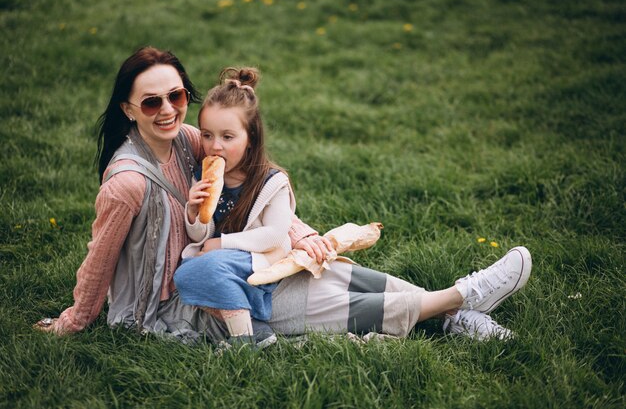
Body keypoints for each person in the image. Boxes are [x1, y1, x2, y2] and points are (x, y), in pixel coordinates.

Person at [35, 46, 532, 344]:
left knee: (335, 270)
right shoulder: (127, 181)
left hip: (232, 267)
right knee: (328, 303)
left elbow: (255, 190)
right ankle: (463, 296)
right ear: (128, 108)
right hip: (180, 303)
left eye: (177, 96)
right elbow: (100, 258)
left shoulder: (191, 140)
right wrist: (75, 321)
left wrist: (307, 236)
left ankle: (453, 318)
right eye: (151, 101)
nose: (168, 109)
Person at [172, 67, 295, 348]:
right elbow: (201, 238)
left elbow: (276, 235)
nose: (215, 146)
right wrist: (193, 212)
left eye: (228, 137)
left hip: (259, 260)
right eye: (206, 135)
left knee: (204, 268)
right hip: (223, 262)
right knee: (187, 274)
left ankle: (242, 342)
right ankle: (255, 330)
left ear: (250, 138)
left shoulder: (273, 182)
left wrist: (222, 244)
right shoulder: (204, 178)